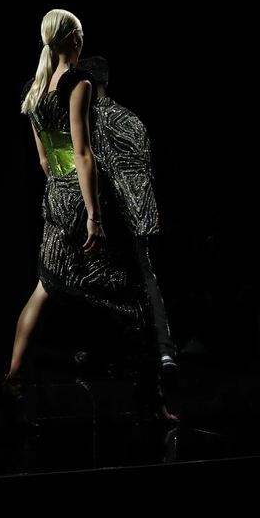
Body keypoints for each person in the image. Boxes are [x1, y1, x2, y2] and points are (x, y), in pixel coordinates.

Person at [1, 9, 174, 425]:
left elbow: (45, 160)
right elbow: (83, 153)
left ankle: (13, 382)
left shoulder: (33, 90)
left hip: (55, 196)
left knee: (46, 286)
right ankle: (149, 390)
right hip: (84, 198)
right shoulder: (77, 81)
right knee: (132, 290)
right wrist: (94, 213)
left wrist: (60, 196)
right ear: (74, 38)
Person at [77, 56, 179, 378]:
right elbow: (145, 168)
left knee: (98, 279)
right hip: (142, 212)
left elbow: (90, 167)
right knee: (144, 278)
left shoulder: (88, 119)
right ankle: (163, 350)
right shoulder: (132, 118)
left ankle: (109, 352)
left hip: (111, 212)